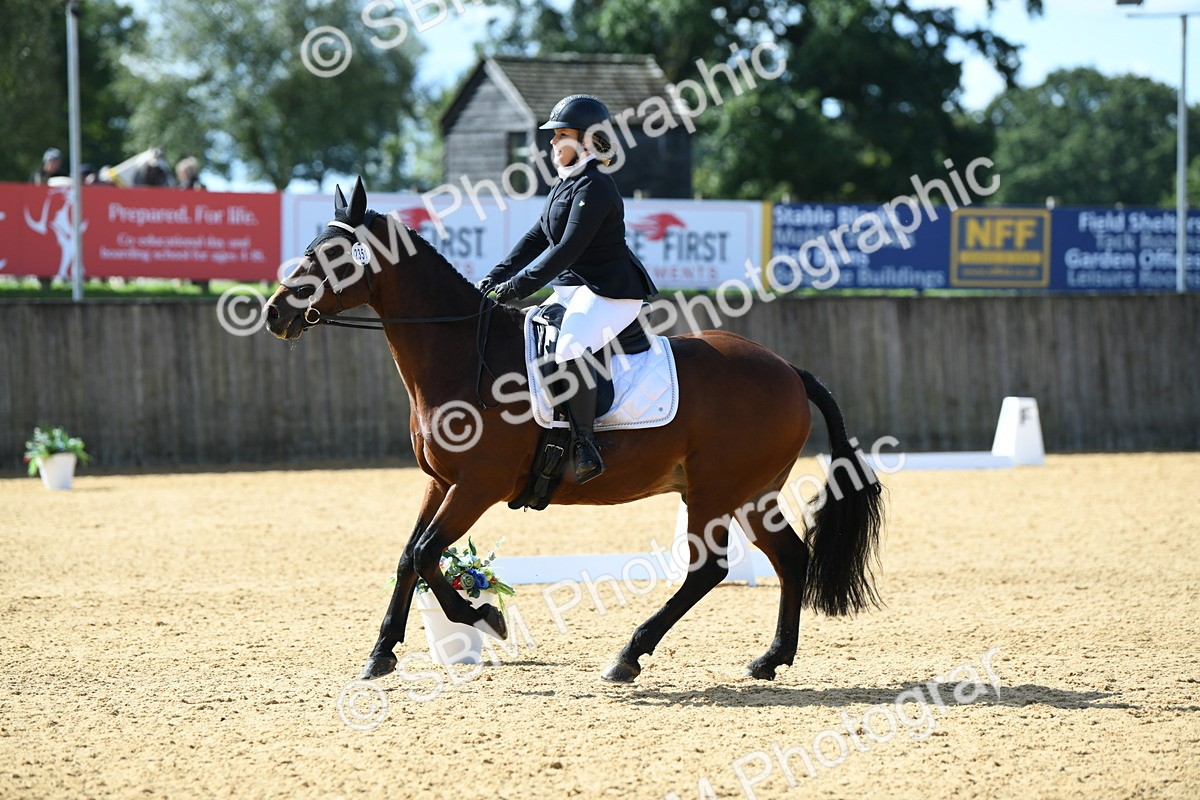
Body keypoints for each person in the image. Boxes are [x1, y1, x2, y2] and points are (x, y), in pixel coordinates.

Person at [478, 94, 657, 484]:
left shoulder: (596, 187)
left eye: (560, 135)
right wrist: (494, 276)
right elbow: (536, 237)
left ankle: (585, 446)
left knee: (571, 346)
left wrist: (513, 288)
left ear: (587, 139)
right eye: (554, 135)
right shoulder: (564, 186)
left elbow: (564, 251)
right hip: (574, 291)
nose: (552, 143)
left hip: (609, 292)